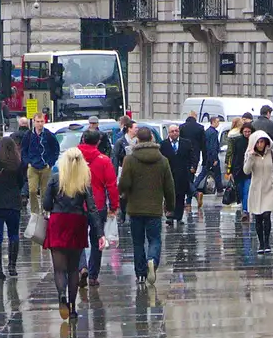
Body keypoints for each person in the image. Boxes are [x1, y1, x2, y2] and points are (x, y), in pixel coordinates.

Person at [43, 148, 105, 320]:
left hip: (58, 222)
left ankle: (61, 295)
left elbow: (47, 204)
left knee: (59, 269)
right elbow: (92, 208)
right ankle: (72, 308)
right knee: (73, 269)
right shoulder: (84, 181)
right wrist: (100, 233)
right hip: (77, 223)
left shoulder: (55, 178)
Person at [117, 125, 175, 284]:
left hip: (134, 208)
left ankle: (140, 274)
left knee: (137, 242)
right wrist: (170, 206)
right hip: (154, 208)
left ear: (137, 140)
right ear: (151, 139)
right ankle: (153, 260)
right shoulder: (163, 160)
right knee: (155, 239)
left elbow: (124, 183)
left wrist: (123, 193)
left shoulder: (129, 160)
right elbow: (169, 187)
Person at [79, 131, 118, 286]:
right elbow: (112, 186)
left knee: (78, 240)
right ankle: (93, 275)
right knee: (98, 240)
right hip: (98, 205)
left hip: (76, 205)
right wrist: (114, 206)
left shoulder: (73, 157)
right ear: (98, 142)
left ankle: (81, 267)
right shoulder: (104, 160)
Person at [243, 130, 273, 254]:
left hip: (269, 188)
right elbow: (246, 171)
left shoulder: (272, 153)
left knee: (266, 215)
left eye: (262, 142)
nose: (260, 144)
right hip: (256, 189)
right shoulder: (250, 154)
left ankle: (267, 243)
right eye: (257, 142)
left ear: (266, 142)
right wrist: (251, 157)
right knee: (258, 217)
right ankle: (261, 244)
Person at [0, 134, 25, 277]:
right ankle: (12, 267)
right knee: (14, 235)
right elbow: (21, 182)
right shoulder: (18, 163)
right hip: (13, 203)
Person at [15, 113, 60, 215]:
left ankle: (45, 211)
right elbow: (24, 150)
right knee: (32, 190)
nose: (40, 124)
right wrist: (28, 162)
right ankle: (34, 212)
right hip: (33, 166)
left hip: (45, 166)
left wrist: (50, 162)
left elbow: (55, 149)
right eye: (38, 122)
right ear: (34, 122)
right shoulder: (29, 134)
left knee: (45, 191)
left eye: (41, 122)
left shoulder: (49, 135)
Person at [160, 123, 197, 226]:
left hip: (182, 174)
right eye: (172, 131)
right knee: (169, 195)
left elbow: (192, 156)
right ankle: (170, 216)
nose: (175, 133)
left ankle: (179, 217)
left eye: (176, 131)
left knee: (180, 196)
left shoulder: (186, 143)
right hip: (169, 174)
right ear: (169, 133)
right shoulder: (163, 144)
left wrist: (193, 167)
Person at [229, 115, 252, 215]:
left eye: (248, 132)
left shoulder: (253, 142)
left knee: (246, 191)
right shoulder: (237, 141)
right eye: (245, 131)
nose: (247, 133)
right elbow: (233, 156)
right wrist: (230, 171)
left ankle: (245, 210)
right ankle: (244, 206)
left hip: (249, 171)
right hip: (238, 170)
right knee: (240, 191)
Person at [203, 114, 225, 195]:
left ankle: (195, 186)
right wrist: (215, 158)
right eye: (217, 122)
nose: (218, 123)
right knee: (217, 173)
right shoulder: (213, 133)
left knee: (203, 173)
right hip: (213, 156)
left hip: (208, 156)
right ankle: (220, 190)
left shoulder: (207, 131)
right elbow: (213, 146)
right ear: (213, 122)